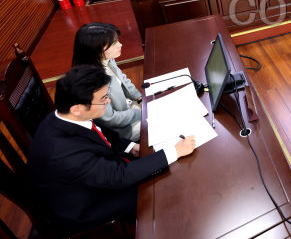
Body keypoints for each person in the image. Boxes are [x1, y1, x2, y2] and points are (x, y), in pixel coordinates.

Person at [28, 65, 196, 234]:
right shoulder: (63, 153)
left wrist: (130, 146)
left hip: (97, 174)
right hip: (87, 206)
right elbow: (119, 176)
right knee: (157, 190)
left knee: (159, 168)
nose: (108, 101)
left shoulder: (67, 115)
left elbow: (102, 135)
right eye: (103, 98)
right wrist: (175, 151)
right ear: (77, 108)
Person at [72, 22, 142, 141]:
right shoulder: (91, 82)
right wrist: (141, 113)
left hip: (131, 110)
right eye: (114, 43)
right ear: (96, 49)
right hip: (125, 128)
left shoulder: (105, 59)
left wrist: (140, 98)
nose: (120, 44)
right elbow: (110, 119)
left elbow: (123, 79)